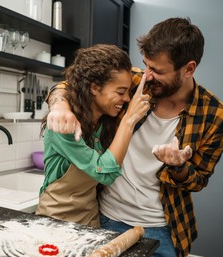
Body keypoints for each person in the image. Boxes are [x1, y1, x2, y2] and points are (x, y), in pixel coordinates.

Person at [45, 17, 223, 257]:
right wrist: (59, 106)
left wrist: (179, 167)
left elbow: (199, 180)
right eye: (146, 65)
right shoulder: (131, 82)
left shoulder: (215, 115)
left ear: (188, 69)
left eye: (157, 70)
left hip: (162, 229)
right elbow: (72, 84)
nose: (148, 75)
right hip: (104, 217)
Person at [35, 44, 150, 228]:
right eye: (121, 92)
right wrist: (129, 120)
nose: (127, 99)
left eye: (128, 92)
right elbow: (105, 173)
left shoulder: (104, 119)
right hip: (55, 222)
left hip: (91, 220)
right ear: (94, 88)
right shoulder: (65, 126)